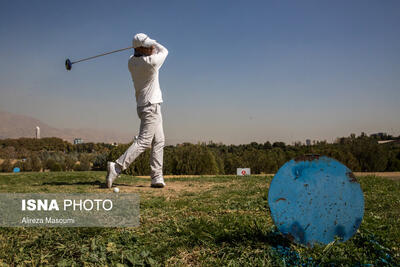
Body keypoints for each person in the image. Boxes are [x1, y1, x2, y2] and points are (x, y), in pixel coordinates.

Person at [106, 33, 168, 188]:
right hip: (151, 106)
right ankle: (117, 167)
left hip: (144, 106)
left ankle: (156, 177)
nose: (152, 48)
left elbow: (148, 51)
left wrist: (144, 44)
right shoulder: (151, 62)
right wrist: (154, 41)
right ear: (142, 49)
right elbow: (165, 51)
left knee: (159, 141)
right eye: (149, 46)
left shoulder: (131, 62)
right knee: (144, 141)